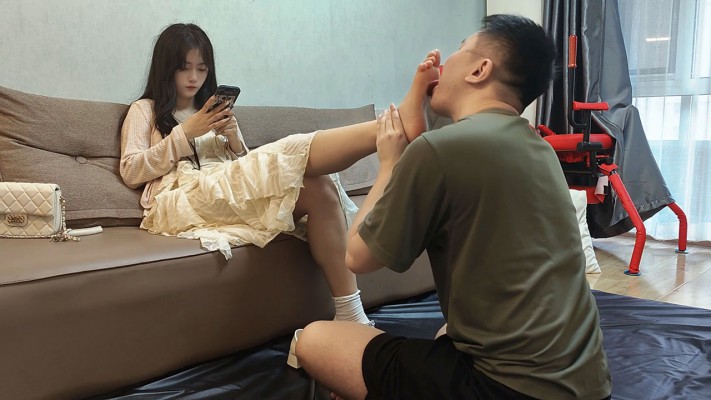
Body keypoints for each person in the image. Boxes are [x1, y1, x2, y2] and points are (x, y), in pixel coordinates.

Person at [294, 14, 612, 400]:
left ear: (480, 70)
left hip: (507, 389)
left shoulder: (439, 149)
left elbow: (357, 256)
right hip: (590, 384)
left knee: (314, 341)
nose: (444, 64)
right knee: (447, 332)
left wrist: (391, 163)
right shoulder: (539, 148)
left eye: (460, 51)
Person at [119, 24, 426, 331]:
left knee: (319, 188)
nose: (194, 77)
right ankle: (390, 125)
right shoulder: (144, 110)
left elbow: (242, 170)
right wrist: (185, 133)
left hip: (221, 188)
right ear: (166, 68)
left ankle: (351, 314)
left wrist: (233, 139)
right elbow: (131, 171)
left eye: (201, 68)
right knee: (288, 153)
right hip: (179, 200)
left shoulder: (210, 109)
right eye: (184, 68)